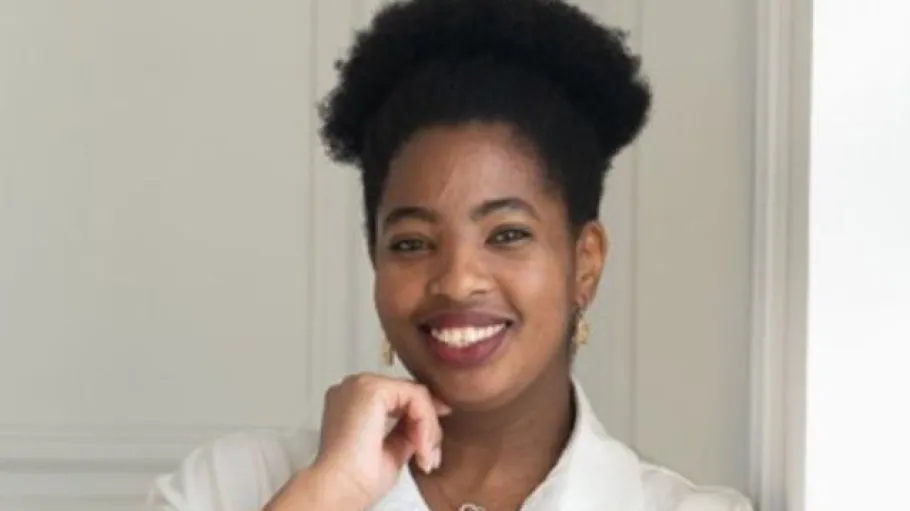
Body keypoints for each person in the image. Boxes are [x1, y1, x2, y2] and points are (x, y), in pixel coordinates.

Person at [148, 0, 753, 509]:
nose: (458, 281)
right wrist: (331, 495)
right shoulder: (231, 487)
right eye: (412, 243)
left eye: (507, 234)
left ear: (585, 261)